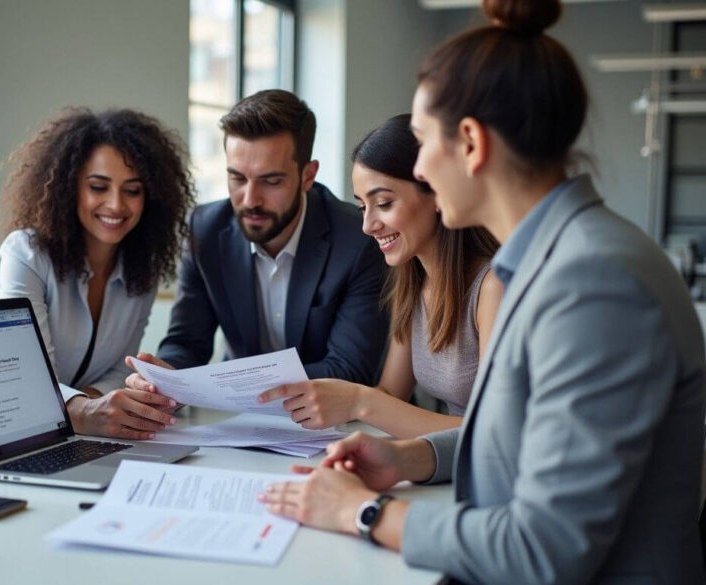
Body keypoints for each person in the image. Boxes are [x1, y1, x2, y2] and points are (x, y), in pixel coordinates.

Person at [261, 2, 706, 583]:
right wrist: (404, 458)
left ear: (470, 143)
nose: (420, 165)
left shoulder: (593, 283)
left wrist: (361, 512)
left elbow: (544, 547)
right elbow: (508, 445)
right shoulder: (548, 264)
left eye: (421, 143)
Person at [126, 89, 388, 393]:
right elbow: (187, 343)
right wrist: (164, 377)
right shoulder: (205, 231)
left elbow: (348, 369)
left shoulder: (358, 237)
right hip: (241, 421)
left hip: (343, 425)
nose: (250, 200)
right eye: (237, 178)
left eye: (271, 181)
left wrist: (227, 382)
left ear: (307, 176)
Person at [257, 114, 501, 436]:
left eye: (383, 203)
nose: (367, 225)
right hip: (447, 465)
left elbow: (490, 433)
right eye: (362, 207)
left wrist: (360, 400)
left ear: (437, 195)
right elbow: (390, 396)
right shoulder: (413, 281)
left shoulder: (493, 287)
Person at [0, 109, 195, 441]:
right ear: (69, 187)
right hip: (23, 435)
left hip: (89, 436)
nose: (116, 205)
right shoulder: (26, 254)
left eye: (132, 190)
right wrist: (85, 410)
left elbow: (121, 368)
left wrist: (88, 405)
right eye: (98, 187)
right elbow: (26, 376)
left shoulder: (141, 268)